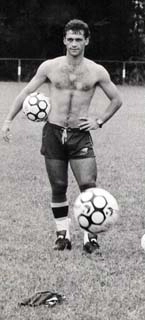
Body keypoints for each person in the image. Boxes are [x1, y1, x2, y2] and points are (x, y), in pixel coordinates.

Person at [1, 19, 123, 253]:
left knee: (88, 185)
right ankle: (62, 235)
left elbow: (117, 100)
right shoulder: (50, 67)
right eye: (70, 39)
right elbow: (26, 93)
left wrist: (99, 121)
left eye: (79, 39)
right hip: (53, 133)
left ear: (87, 41)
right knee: (58, 186)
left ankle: (90, 238)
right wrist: (8, 120)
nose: (74, 44)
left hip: (80, 135)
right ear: (64, 40)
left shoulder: (97, 71)